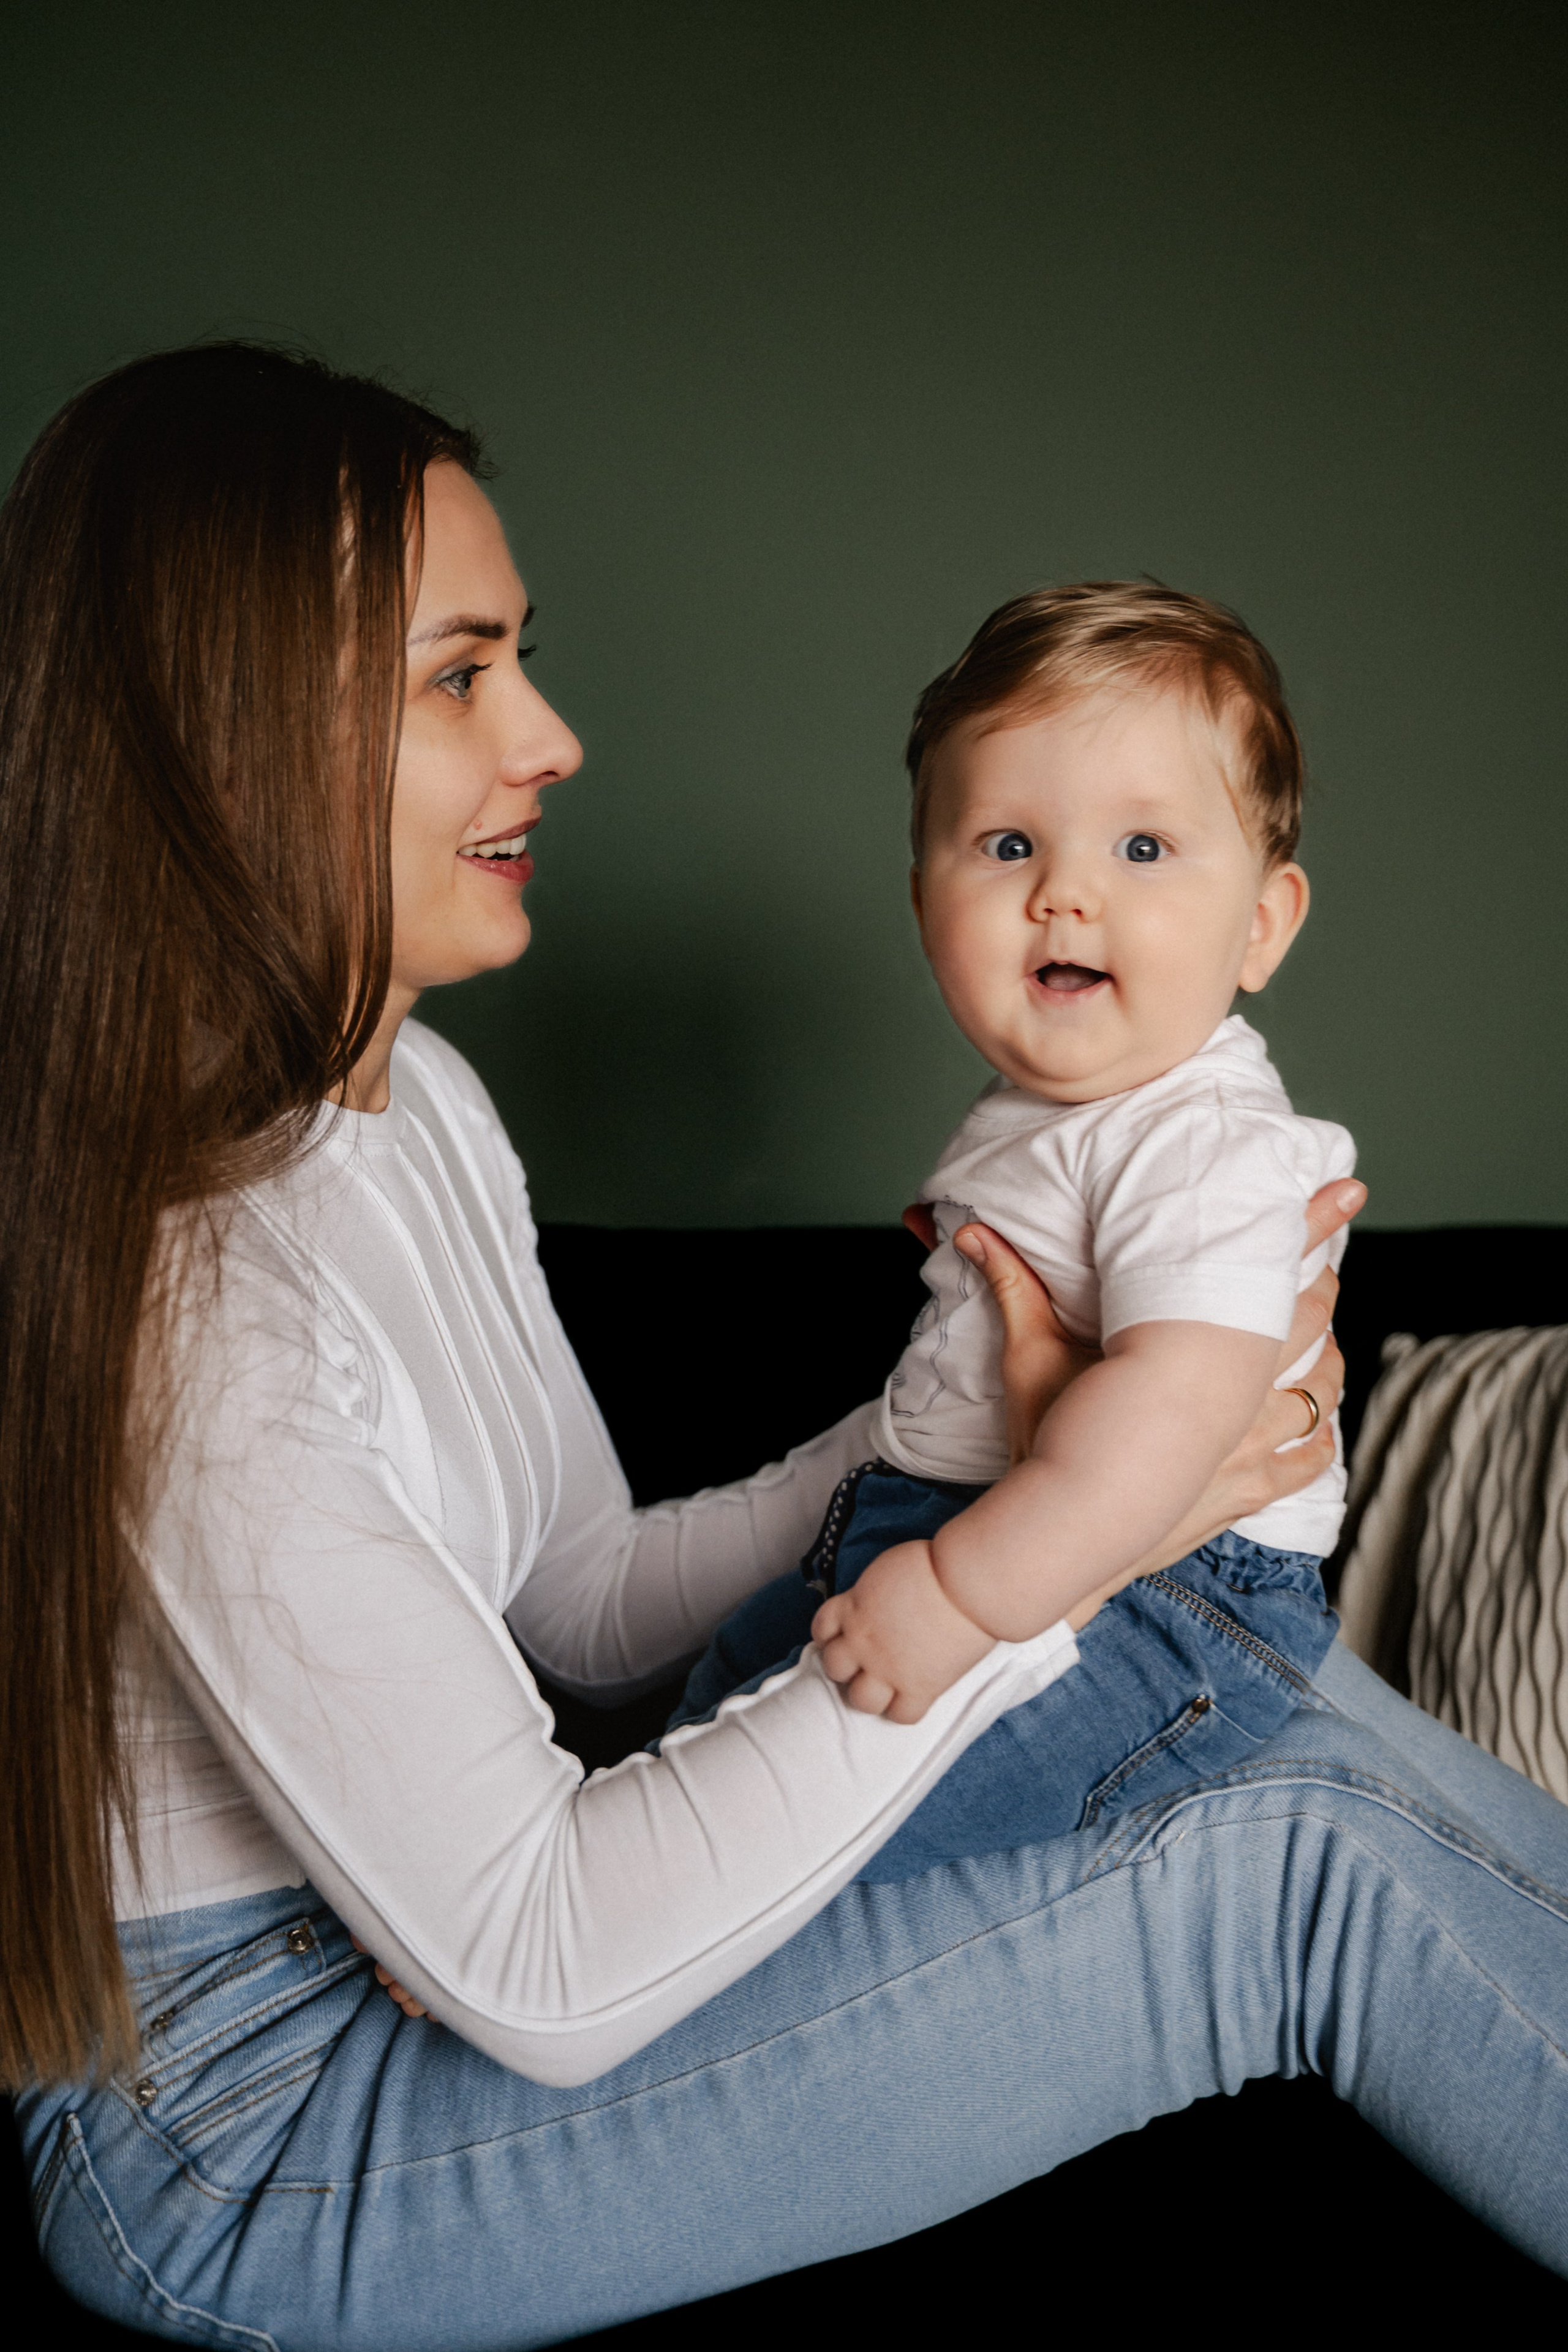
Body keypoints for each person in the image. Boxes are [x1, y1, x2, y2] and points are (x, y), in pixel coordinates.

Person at [4, 347, 1567, 2352]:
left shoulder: (415, 1115)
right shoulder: (183, 1297)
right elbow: (537, 1962)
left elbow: (575, 1605)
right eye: (462, 675)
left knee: (1301, 1728)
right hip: (255, 2132)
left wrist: (1012, 1446)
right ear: (227, 743)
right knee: (1269, 1847)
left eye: (524, 660)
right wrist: (1059, 1555)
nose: (555, 736)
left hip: (411, 1956)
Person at [673, 585, 1357, 1871]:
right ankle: (558, 1901)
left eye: (1141, 848)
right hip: (968, 1521)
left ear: (1259, 924)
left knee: (808, 1824)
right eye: (1003, 846)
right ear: (922, 899)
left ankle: (577, 1931)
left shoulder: (1200, 1139)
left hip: (1168, 1601)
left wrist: (957, 1596)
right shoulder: (1047, 1109)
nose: (1062, 896)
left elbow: (1171, 1409)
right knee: (732, 1689)